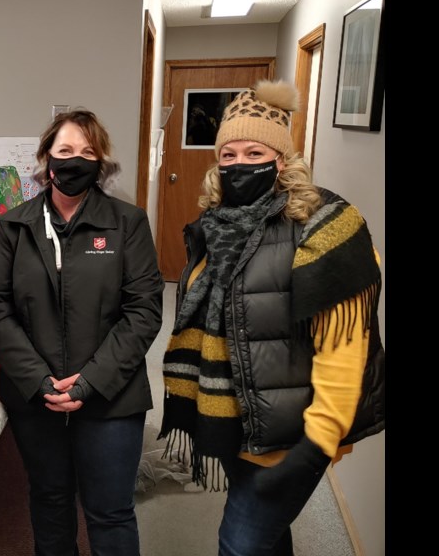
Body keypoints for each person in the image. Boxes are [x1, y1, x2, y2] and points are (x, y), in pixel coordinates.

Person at [158, 80, 385, 556]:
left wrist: (316, 446)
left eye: (254, 151)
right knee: (266, 539)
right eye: (229, 154)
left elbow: (345, 350)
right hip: (235, 420)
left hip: (292, 434)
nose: (240, 164)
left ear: (282, 160)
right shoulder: (214, 224)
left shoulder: (325, 226)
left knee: (239, 545)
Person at [0, 109, 164, 556]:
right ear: (46, 158)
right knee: (49, 499)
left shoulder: (128, 223)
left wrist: (89, 383)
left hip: (111, 395)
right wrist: (39, 380)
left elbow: (144, 311)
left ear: (100, 162)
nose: (74, 161)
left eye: (87, 152)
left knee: (110, 511)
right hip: (35, 396)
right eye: (64, 151)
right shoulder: (13, 226)